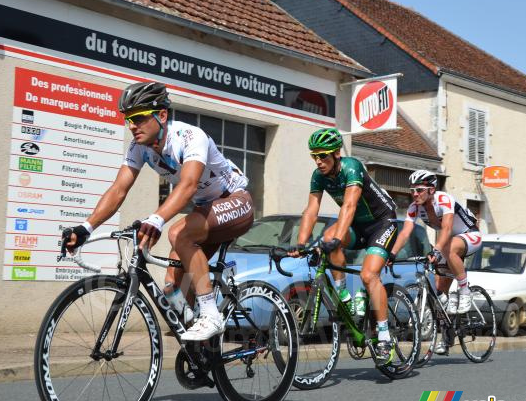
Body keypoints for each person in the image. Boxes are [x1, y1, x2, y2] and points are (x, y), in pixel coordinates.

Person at [64, 82, 253, 342]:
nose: (132, 125)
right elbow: (118, 190)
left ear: (161, 115)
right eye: (128, 119)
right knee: (172, 290)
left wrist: (156, 219)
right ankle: (201, 351)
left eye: (139, 118)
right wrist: (85, 228)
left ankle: (211, 315)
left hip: (235, 201)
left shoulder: (189, 136)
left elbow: (188, 185)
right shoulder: (138, 148)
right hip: (206, 210)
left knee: (179, 234)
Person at [288, 127, 398, 365]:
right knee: (327, 239)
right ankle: (344, 296)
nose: (318, 161)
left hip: (381, 223)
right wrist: (300, 243)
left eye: (323, 155)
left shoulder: (352, 167)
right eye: (314, 156)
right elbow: (311, 210)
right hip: (357, 226)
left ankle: (384, 336)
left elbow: (348, 206)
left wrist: (338, 238)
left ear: (337, 153)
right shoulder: (318, 176)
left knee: (369, 276)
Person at [390, 170, 482, 354]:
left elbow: (447, 229)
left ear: (431, 190)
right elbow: (405, 233)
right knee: (440, 293)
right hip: (448, 244)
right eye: (413, 190)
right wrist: (391, 255)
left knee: (448, 247)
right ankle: (447, 337)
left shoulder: (444, 199)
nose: (415, 194)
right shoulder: (414, 208)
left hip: (470, 236)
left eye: (420, 190)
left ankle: (464, 290)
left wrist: (436, 250)